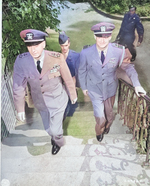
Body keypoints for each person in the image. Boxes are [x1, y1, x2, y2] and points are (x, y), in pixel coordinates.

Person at [78, 22, 146, 143]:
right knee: (100, 117)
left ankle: (107, 126)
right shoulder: (86, 53)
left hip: (110, 90)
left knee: (109, 116)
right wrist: (84, 87)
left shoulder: (119, 51)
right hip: (95, 89)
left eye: (106, 37)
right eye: (99, 37)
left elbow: (129, 67)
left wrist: (137, 85)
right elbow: (82, 71)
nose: (103, 41)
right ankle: (99, 131)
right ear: (94, 36)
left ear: (110, 36)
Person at [13, 29, 77, 155]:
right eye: (29, 45)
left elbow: (67, 78)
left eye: (36, 45)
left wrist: (73, 94)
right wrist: (20, 108)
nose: (33, 49)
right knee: (48, 129)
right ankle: (55, 136)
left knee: (55, 131)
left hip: (58, 99)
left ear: (43, 44)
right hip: (41, 103)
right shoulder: (21, 61)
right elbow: (18, 87)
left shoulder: (56, 58)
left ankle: (58, 142)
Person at [59, 31, 80, 119]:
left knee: (70, 107)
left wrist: (74, 88)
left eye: (66, 45)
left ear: (69, 44)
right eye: (62, 46)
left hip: (72, 83)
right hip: (61, 85)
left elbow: (78, 72)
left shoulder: (75, 56)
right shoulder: (57, 56)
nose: (64, 48)